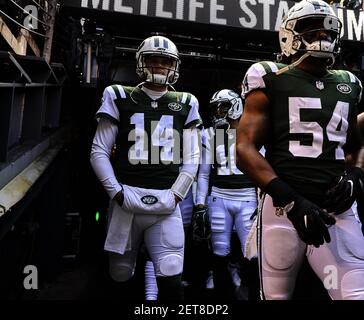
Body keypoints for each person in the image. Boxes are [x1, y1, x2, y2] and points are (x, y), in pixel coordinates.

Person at [236, 0, 364, 300]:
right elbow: (244, 149)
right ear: (289, 35)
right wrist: (291, 200)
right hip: (283, 208)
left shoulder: (348, 83)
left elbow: (356, 146)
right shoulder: (269, 75)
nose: (322, 37)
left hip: (338, 209)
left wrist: (356, 175)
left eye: (328, 31)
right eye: (312, 30)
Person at [90, 35, 202, 300]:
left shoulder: (186, 102)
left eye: (166, 62)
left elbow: (193, 156)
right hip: (125, 198)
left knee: (172, 272)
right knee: (119, 273)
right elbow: (99, 151)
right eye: (154, 60)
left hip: (166, 201)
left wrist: (176, 194)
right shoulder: (118, 95)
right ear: (141, 62)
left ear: (174, 66)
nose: (160, 66)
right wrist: (116, 193)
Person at [195, 89, 257, 299]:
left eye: (224, 107)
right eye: (216, 108)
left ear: (236, 106)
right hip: (219, 197)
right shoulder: (209, 134)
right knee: (219, 250)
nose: (219, 112)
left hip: (248, 197)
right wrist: (200, 205)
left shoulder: (254, 131)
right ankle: (222, 296)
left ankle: (250, 290)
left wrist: (263, 200)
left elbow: (263, 170)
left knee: (252, 251)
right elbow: (203, 174)